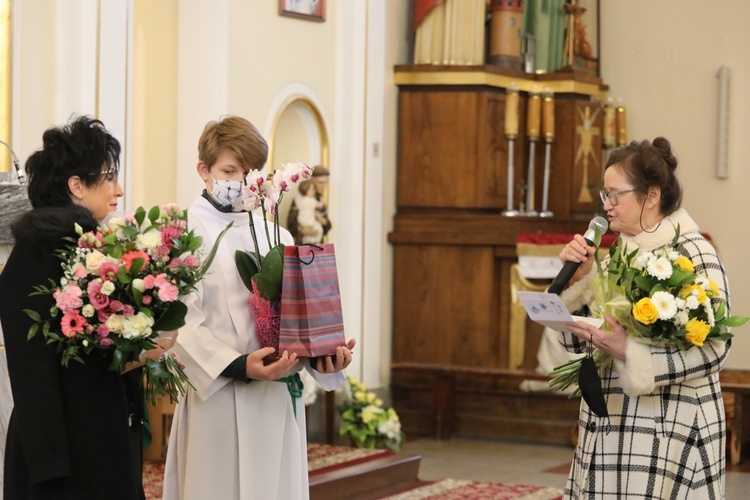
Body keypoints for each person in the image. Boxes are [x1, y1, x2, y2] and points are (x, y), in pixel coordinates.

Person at [163, 115, 355, 500]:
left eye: (250, 172)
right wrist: (237, 365)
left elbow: (300, 315)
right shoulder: (182, 231)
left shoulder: (276, 234)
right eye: (230, 170)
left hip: (275, 401)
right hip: (217, 399)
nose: (242, 181)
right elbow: (178, 324)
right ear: (204, 170)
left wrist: (322, 356)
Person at [556, 137, 730, 498]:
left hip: (670, 426)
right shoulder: (615, 256)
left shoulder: (694, 253)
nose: (606, 206)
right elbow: (577, 340)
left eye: (614, 195)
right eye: (603, 195)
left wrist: (632, 354)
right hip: (612, 426)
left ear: (651, 196)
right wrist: (579, 280)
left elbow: (716, 348)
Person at [0, 115, 143, 499]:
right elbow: (33, 374)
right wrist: (50, 470)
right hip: (62, 458)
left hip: (98, 437)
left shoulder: (89, 250)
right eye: (109, 176)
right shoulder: (38, 255)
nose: (119, 189)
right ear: (76, 185)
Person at [286, 165, 331, 245]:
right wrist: (302, 230)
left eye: (325, 183)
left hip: (317, 243)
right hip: (302, 243)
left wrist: (323, 221)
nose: (323, 186)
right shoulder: (299, 200)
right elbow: (291, 224)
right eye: (320, 182)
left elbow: (327, 225)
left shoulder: (318, 200)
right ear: (312, 181)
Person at [293, 180, 324, 244]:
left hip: (302, 218)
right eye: (311, 189)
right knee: (318, 229)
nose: (314, 191)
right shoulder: (312, 200)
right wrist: (321, 200)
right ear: (306, 190)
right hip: (309, 218)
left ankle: (309, 241)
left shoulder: (302, 200)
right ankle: (314, 241)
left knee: (315, 229)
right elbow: (319, 205)